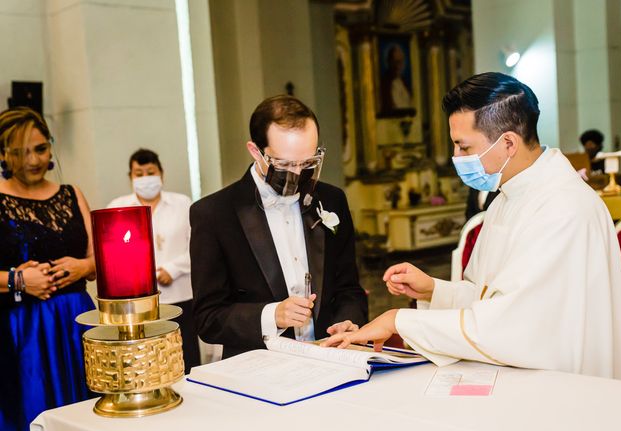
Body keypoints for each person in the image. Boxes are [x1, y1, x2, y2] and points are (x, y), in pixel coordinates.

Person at [323, 72, 621, 382]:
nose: (456, 158)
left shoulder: (563, 208)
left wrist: (399, 320)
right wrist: (435, 289)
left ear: (508, 143)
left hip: (569, 383)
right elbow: (489, 298)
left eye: (464, 147)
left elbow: (515, 327)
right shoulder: (508, 196)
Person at [190, 95, 368, 358]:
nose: (297, 173)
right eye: (284, 164)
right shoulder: (214, 214)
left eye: (308, 162)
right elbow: (208, 318)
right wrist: (272, 315)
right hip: (258, 371)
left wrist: (347, 321)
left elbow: (348, 288)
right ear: (255, 151)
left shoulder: (332, 200)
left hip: (331, 360)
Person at [0, 107, 96, 431]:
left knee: (84, 411)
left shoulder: (72, 194)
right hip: (19, 331)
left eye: (41, 149)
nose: (34, 160)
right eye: (22, 152)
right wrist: (18, 280)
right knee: (28, 416)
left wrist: (82, 268)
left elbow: (98, 258)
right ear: (4, 154)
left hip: (75, 323)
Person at [107, 148, 199, 372]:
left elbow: (196, 245)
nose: (145, 178)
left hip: (180, 295)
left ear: (161, 173)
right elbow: (114, 254)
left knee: (184, 356)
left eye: (150, 172)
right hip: (138, 299)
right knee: (147, 361)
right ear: (130, 177)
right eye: (139, 173)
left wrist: (172, 268)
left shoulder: (182, 203)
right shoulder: (118, 208)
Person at [380, 44, 413, 113]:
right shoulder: (385, 83)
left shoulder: (404, 82)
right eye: (395, 62)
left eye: (400, 62)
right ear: (389, 62)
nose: (398, 65)